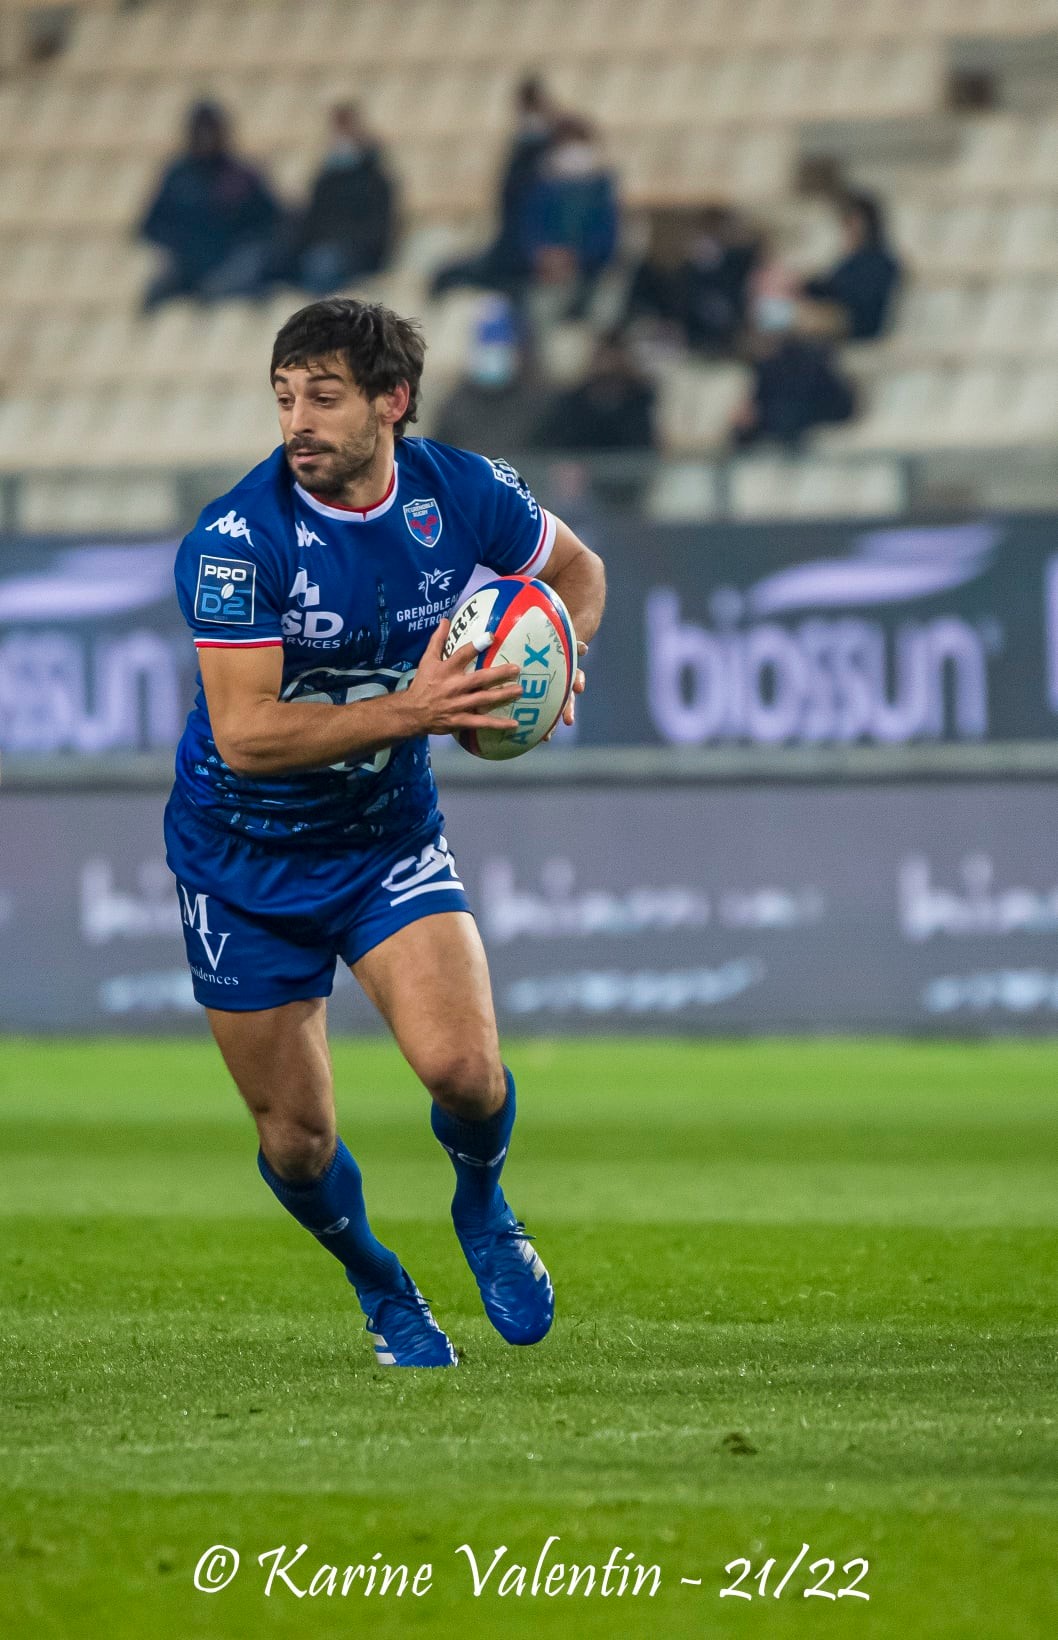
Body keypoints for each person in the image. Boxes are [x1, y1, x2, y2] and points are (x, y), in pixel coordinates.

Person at [165, 297, 606, 1368]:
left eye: (322, 396)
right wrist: (416, 711)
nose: (296, 421)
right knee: (298, 1140)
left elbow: (578, 579)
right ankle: (378, 1280)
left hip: (383, 835)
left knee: (464, 1072)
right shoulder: (236, 540)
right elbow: (249, 733)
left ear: (390, 402)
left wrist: (556, 667)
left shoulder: (462, 493)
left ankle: (483, 1204)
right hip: (240, 858)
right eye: (283, 399)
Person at [140, 101, 280, 309]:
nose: (206, 138)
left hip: (232, 266)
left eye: (211, 131)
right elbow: (151, 226)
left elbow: (272, 222)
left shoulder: (242, 176)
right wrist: (182, 247)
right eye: (201, 131)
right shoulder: (179, 177)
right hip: (188, 268)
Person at [429, 77, 556, 301]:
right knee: (445, 276)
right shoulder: (522, 150)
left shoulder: (544, 157)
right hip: (512, 249)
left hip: (529, 258)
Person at [273, 103, 396, 294]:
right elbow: (312, 221)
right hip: (319, 250)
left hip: (356, 256)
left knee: (323, 263)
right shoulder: (325, 180)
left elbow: (378, 230)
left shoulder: (375, 181)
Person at [518, 117, 619, 320]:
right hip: (545, 276)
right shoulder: (541, 188)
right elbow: (530, 228)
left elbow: (607, 236)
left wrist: (575, 258)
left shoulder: (601, 190)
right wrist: (545, 255)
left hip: (590, 278)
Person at [731, 297, 856, 450]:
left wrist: (760, 418)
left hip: (804, 441)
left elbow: (838, 406)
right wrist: (746, 423)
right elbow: (744, 431)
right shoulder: (764, 370)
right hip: (775, 444)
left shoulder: (810, 361)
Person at [432, 296, 549, 454]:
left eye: (501, 346)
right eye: (487, 348)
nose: (493, 355)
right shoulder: (456, 404)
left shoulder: (539, 405)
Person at [802, 192, 902, 341]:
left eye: (851, 222)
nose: (848, 228)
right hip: (845, 317)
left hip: (860, 323)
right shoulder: (852, 259)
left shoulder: (879, 262)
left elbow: (858, 297)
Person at [532, 332, 655, 451]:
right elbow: (554, 444)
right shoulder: (572, 402)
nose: (608, 365)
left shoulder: (640, 400)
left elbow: (643, 446)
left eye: (613, 359)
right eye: (603, 358)